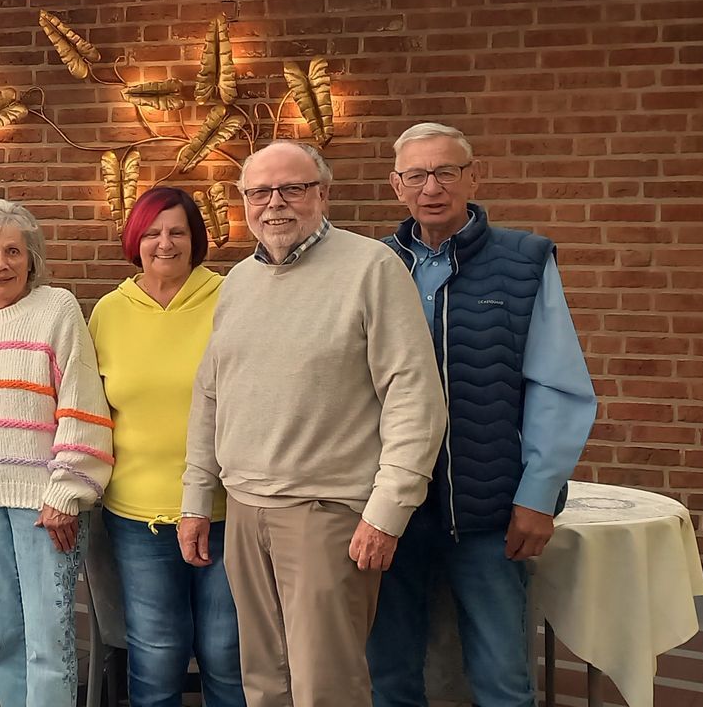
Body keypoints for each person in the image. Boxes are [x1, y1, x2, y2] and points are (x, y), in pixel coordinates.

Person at [180, 141, 447, 707]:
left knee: (326, 689)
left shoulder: (372, 268)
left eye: (292, 188)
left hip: (328, 516)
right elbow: (211, 396)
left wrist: (387, 512)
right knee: (263, 685)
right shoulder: (238, 282)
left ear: (322, 194)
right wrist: (196, 499)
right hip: (245, 510)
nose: (274, 203)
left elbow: (415, 400)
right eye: (259, 192)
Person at [368, 123, 597, 707]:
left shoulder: (524, 261)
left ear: (475, 177)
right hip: (390, 508)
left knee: (502, 681)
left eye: (446, 172)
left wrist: (538, 494)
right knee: (388, 677)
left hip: (487, 510)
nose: (432, 187)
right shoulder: (374, 265)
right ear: (396, 185)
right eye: (417, 175)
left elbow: (557, 386)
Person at [0, 199, 112, 707]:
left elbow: (81, 400)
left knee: (48, 641)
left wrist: (67, 491)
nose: (0, 263)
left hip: (44, 504)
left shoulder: (58, 308)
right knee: (6, 636)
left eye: (13, 251)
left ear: (32, 259)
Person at [88, 187, 244, 707]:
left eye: (177, 231)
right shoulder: (109, 312)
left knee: (226, 653)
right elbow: (92, 411)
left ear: (196, 239)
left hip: (225, 510)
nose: (165, 243)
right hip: (139, 516)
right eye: (152, 232)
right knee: (156, 656)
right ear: (135, 239)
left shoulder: (231, 299)